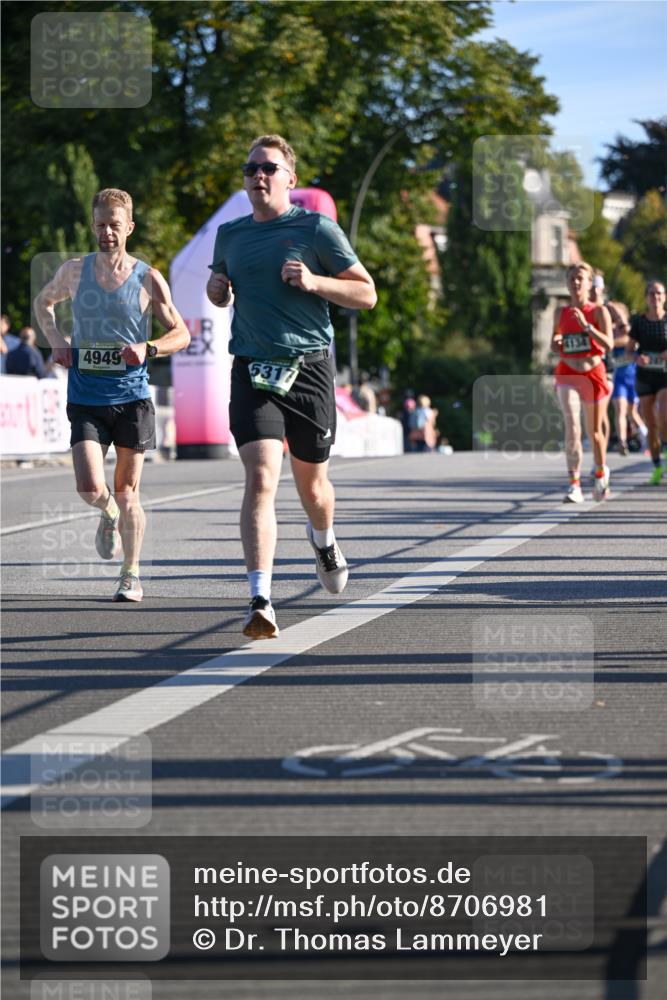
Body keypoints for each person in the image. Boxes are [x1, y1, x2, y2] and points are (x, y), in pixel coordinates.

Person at [206, 134, 376, 639]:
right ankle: (261, 599)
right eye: (251, 168)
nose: (258, 175)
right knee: (261, 477)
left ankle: (323, 539)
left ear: (290, 180)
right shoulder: (229, 236)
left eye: (269, 168)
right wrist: (217, 291)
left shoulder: (316, 229)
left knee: (314, 488)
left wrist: (316, 283)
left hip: (309, 370)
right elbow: (221, 291)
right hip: (253, 368)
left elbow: (366, 293)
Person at [33, 187, 190, 601]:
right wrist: (55, 339)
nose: (106, 233)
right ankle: (108, 514)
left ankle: (130, 573)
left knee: (127, 489)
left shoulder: (148, 278)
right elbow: (42, 302)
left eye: (114, 226)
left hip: (131, 397)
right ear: (93, 225)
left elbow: (182, 333)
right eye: (100, 225)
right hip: (86, 393)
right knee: (88, 486)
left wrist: (149, 348)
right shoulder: (74, 271)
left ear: (130, 228)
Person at [552, 262, 614, 502]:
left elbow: (608, 345)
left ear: (589, 283)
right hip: (567, 372)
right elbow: (553, 343)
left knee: (595, 432)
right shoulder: (561, 312)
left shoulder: (599, 312)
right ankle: (574, 485)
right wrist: (557, 343)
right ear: (567, 284)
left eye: (580, 278)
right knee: (572, 428)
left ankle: (600, 471)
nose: (576, 282)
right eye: (572, 279)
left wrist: (587, 327)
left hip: (593, 374)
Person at [630, 280, 667, 485]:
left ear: (665, 297)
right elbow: (628, 349)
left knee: (663, 417)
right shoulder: (639, 322)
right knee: (651, 425)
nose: (656, 298)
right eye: (652, 294)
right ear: (646, 298)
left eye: (659, 293)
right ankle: (657, 466)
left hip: (665, 376)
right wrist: (637, 356)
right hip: (645, 377)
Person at [607, 300, 647, 455]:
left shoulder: (629, 332)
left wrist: (614, 308)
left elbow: (625, 336)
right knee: (620, 410)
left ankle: (646, 437)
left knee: (633, 412)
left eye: (616, 313)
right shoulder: (610, 330)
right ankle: (622, 442)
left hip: (633, 377)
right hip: (619, 379)